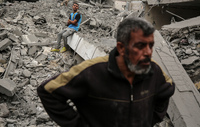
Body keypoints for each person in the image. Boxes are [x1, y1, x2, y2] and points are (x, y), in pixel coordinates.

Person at [37, 17, 175, 127]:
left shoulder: (154, 70)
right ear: (121, 48)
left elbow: (168, 88)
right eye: (140, 46)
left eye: (150, 46)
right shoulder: (91, 71)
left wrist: (151, 119)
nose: (148, 53)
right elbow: (47, 90)